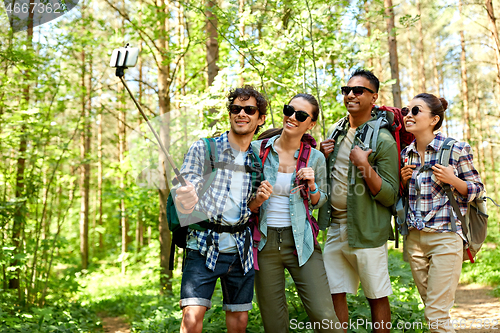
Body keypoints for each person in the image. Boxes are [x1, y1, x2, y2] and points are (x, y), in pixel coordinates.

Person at [175, 86, 267, 333]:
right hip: (203, 245)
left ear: (260, 118)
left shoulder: (256, 160)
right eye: (236, 109)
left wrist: (256, 202)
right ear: (230, 114)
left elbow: (249, 207)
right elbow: (185, 185)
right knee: (191, 320)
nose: (242, 114)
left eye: (249, 110)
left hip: (241, 249)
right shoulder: (204, 148)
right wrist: (186, 194)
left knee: (239, 323)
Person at [250, 93, 342, 333]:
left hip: (302, 242)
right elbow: (243, 202)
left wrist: (312, 186)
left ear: (310, 124)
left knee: (325, 317)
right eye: (288, 110)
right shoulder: (256, 150)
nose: (291, 117)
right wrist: (257, 198)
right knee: (274, 323)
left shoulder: (315, 157)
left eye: (300, 115)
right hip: (264, 244)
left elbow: (320, 200)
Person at [318, 69, 399, 333]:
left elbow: (390, 194)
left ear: (374, 97)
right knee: (334, 293)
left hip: (366, 230)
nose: (350, 94)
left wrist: (364, 165)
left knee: (376, 295)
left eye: (358, 91)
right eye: (346, 90)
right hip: (335, 228)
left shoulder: (383, 139)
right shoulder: (337, 132)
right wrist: (322, 156)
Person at [400, 93, 484, 332]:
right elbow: (412, 198)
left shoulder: (456, 148)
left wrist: (453, 179)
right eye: (407, 110)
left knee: (435, 313)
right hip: (415, 240)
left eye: (416, 111)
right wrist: (404, 183)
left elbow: (477, 189)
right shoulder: (407, 153)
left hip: (446, 237)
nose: (408, 115)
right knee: (433, 311)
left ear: (434, 119)